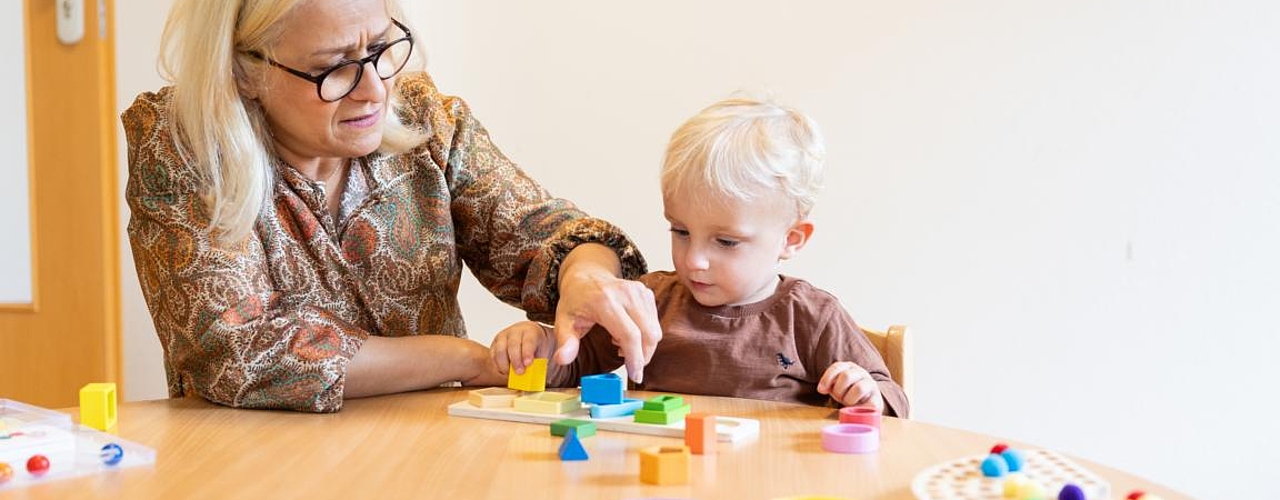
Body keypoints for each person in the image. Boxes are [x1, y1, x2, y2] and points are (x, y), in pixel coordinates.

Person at [121, 0, 661, 413]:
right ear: (245, 71)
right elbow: (237, 349)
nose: (375, 90)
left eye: (381, 47)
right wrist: (464, 359)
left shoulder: (426, 119)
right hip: (258, 462)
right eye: (334, 67)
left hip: (425, 446)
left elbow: (543, 231)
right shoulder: (182, 147)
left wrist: (586, 276)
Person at [491, 97, 909, 416]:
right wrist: (540, 345)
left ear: (791, 239)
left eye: (725, 242)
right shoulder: (651, 301)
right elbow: (575, 365)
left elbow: (893, 403)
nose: (694, 260)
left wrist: (865, 393)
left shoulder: (812, 317)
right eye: (681, 232)